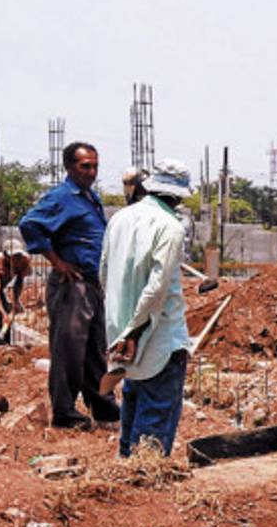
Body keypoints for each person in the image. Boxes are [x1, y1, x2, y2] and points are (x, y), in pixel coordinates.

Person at [19, 142, 120, 429]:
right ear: (69, 167)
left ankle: (102, 407)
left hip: (91, 283)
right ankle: (64, 414)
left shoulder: (90, 197)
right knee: (69, 351)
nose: (91, 171)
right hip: (71, 286)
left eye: (95, 166)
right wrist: (57, 261)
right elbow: (30, 224)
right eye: (84, 166)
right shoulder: (62, 197)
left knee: (95, 350)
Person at [100, 159, 194, 458]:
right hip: (159, 335)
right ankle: (143, 479)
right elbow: (156, 288)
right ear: (178, 196)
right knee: (155, 415)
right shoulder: (171, 227)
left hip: (122, 332)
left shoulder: (119, 219)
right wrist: (136, 329)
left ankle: (125, 466)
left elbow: (104, 272)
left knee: (134, 399)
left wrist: (122, 326)